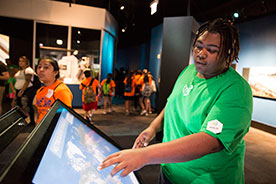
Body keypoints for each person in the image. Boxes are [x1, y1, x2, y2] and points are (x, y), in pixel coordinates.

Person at [99, 18, 253, 184]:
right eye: (199, 46)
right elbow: (172, 103)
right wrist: (153, 128)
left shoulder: (236, 89)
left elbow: (210, 141)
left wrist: (144, 155)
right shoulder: (189, 71)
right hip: (169, 171)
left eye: (212, 50)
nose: (201, 54)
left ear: (229, 54)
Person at [34, 57, 73, 125]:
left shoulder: (61, 90)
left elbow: (66, 117)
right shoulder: (40, 90)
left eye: (46, 67)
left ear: (55, 72)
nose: (41, 70)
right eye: (39, 67)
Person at [14, 56, 36, 124]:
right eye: (19, 61)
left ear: (26, 62)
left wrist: (22, 91)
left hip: (26, 90)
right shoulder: (21, 70)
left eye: (22, 61)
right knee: (18, 105)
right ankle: (24, 119)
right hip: (19, 89)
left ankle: (31, 120)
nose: (20, 63)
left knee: (26, 105)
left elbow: (27, 81)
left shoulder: (28, 70)